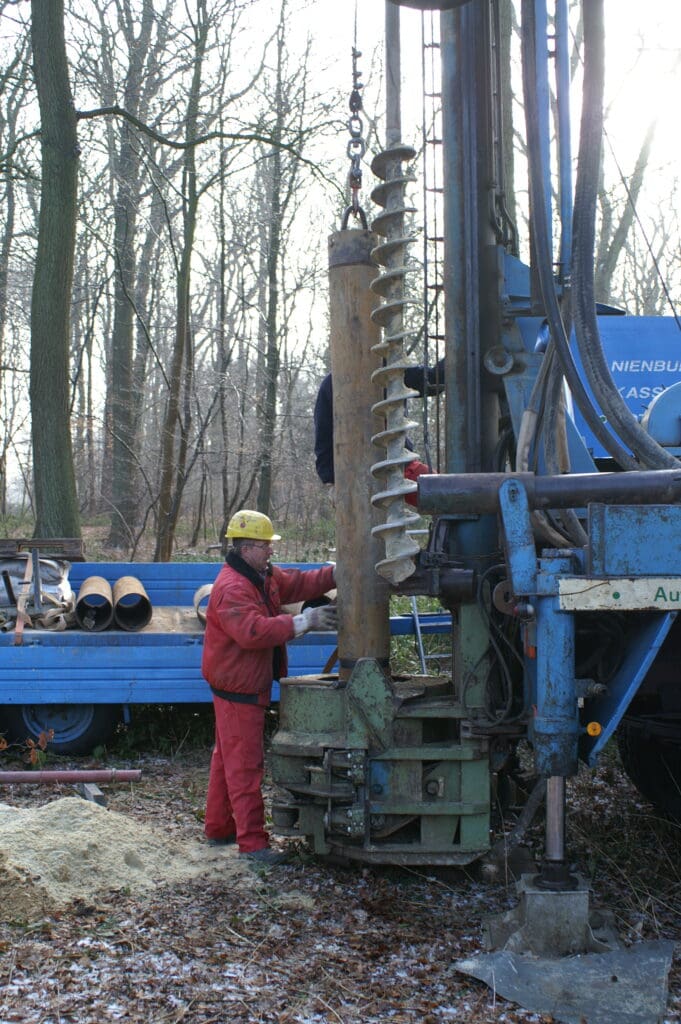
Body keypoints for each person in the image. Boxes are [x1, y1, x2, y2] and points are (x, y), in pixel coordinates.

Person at [201, 509, 337, 867]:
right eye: (266, 546)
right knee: (245, 765)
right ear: (246, 548)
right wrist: (304, 621)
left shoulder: (262, 575)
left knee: (226, 760)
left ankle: (218, 828)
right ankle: (253, 845)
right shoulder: (232, 588)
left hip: (239, 684)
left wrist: (336, 573)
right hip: (238, 688)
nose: (271, 551)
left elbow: (297, 584)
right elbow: (253, 632)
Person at [313, 360, 445, 506]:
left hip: (399, 465)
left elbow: (432, 381)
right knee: (446, 494)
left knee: (449, 494)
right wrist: (331, 482)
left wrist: (458, 353)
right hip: (355, 473)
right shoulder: (334, 383)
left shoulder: (393, 373)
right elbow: (323, 436)